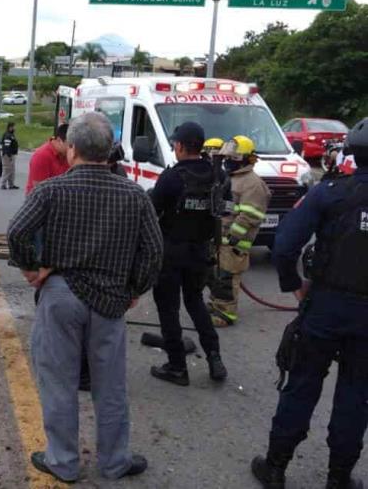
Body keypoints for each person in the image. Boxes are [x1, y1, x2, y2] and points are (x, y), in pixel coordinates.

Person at [7, 112, 163, 484]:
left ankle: (63, 462)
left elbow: (16, 233)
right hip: (110, 299)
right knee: (110, 386)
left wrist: (33, 268)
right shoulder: (135, 196)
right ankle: (114, 462)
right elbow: (154, 252)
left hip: (60, 296)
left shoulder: (50, 190)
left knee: (58, 381)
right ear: (109, 151)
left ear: (71, 149)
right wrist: (133, 289)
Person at [251, 120, 368, 489]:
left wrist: (294, 285)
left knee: (301, 384)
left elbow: (285, 244)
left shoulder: (330, 192)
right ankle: (338, 477)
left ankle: (275, 467)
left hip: (325, 305)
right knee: (357, 395)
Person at [149, 122, 228, 386]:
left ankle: (177, 367)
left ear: (181, 146)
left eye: (175, 144)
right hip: (200, 251)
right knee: (195, 302)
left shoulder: (172, 177)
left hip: (171, 252)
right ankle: (214, 356)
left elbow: (151, 211)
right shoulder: (216, 175)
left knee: (169, 309)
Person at [208, 135, 271, 327]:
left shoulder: (252, 183)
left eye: (232, 158)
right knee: (217, 275)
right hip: (222, 239)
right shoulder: (233, 179)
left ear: (244, 159)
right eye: (226, 158)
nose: (227, 162)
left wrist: (232, 236)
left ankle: (226, 315)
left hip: (234, 242)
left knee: (227, 278)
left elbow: (250, 215)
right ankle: (215, 306)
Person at [25, 123, 70, 195]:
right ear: (59, 140)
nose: (73, 148)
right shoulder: (42, 156)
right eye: (70, 145)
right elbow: (39, 190)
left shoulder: (68, 155)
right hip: (39, 200)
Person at [0, 122, 19, 190]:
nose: (15, 128)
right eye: (14, 127)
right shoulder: (7, 135)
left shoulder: (11, 135)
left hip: (12, 154)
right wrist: (8, 155)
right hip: (7, 155)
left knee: (12, 170)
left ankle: (11, 184)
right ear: (10, 127)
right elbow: (6, 146)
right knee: (7, 169)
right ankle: (3, 184)